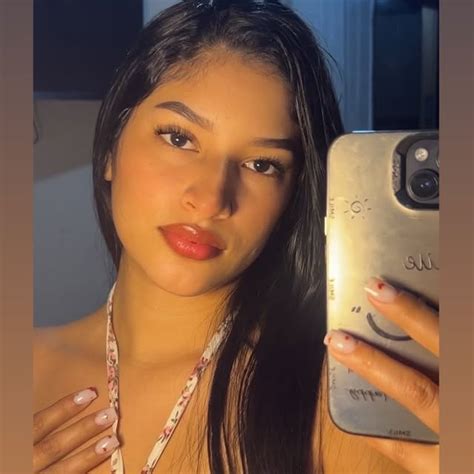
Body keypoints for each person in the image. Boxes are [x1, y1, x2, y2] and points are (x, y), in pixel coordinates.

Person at [33, 0, 439, 473]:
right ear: (110, 150)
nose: (211, 200)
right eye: (179, 138)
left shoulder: (341, 407)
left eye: (261, 164)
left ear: (293, 196)